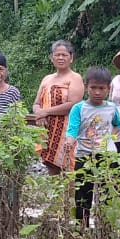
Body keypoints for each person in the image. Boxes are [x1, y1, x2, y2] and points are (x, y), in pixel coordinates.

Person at [66, 67, 120, 227]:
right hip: (84, 155)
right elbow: (72, 129)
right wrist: (70, 141)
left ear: (108, 88)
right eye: (93, 88)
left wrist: (110, 138)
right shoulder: (79, 108)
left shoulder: (111, 108)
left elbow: (118, 124)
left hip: (107, 156)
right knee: (83, 193)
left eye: (101, 88)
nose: (97, 92)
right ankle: (81, 228)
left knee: (108, 192)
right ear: (86, 87)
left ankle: (106, 228)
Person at [34, 40, 84, 174]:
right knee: (51, 166)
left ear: (71, 58)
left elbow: (73, 104)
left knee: (69, 167)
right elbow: (36, 103)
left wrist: (46, 112)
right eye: (57, 55)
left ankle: (70, 195)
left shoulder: (75, 78)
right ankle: (55, 194)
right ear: (51, 57)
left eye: (64, 55)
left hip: (67, 129)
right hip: (48, 129)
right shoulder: (46, 79)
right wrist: (39, 114)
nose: (60, 58)